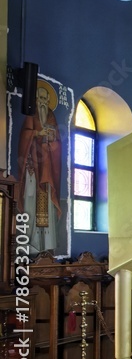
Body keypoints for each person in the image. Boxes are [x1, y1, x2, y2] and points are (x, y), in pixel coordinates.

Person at [18, 81, 62, 253]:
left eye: (45, 98)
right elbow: (24, 137)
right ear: (35, 99)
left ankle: (47, 245)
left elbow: (58, 143)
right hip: (33, 168)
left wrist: (51, 141)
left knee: (47, 207)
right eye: (40, 98)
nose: (42, 101)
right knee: (31, 201)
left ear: (49, 99)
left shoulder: (52, 117)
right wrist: (37, 133)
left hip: (48, 170)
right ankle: (31, 244)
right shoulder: (31, 115)